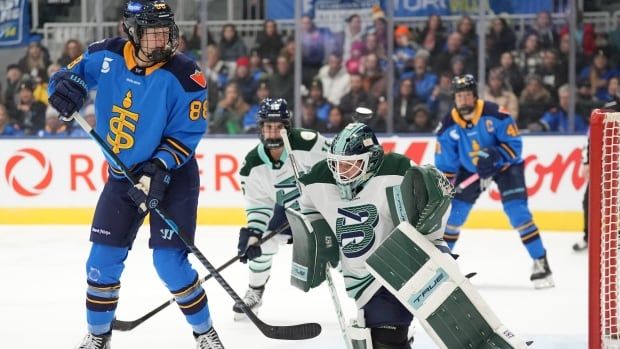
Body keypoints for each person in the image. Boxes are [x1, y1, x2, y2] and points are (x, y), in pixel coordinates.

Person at [47, 1, 223, 348]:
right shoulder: (106, 54)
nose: (162, 38)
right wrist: (65, 90)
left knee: (168, 263)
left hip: (171, 177)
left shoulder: (186, 75)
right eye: (152, 30)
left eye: (165, 29)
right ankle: (99, 336)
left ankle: (205, 333)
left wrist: (158, 167)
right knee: (100, 262)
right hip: (122, 176)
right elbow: (66, 78)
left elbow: (188, 132)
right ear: (133, 32)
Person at [295, 122, 452, 348]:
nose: (341, 173)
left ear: (373, 159)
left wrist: (433, 241)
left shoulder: (397, 169)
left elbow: (433, 201)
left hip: (396, 271)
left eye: (351, 165)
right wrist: (316, 237)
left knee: (385, 339)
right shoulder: (321, 177)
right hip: (359, 277)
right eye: (337, 165)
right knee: (375, 338)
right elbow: (307, 207)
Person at [435, 74, 554, 289]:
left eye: (467, 95)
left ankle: (541, 262)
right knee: (452, 216)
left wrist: (496, 155)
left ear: (475, 96)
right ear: (454, 98)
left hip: (506, 167)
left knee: (518, 212)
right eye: (459, 96)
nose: (463, 100)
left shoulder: (495, 114)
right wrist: (445, 190)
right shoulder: (447, 126)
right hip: (470, 170)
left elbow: (515, 146)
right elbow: (446, 166)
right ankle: (441, 266)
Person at [234, 98, 330, 319]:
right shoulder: (252, 166)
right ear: (260, 129)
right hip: (287, 216)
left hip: (323, 212)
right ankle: (255, 291)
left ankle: (368, 302)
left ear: (288, 127)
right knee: (262, 243)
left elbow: (338, 167)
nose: (274, 132)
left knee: (349, 250)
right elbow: (259, 206)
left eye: (279, 127)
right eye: (268, 127)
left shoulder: (310, 143)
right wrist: (253, 234)